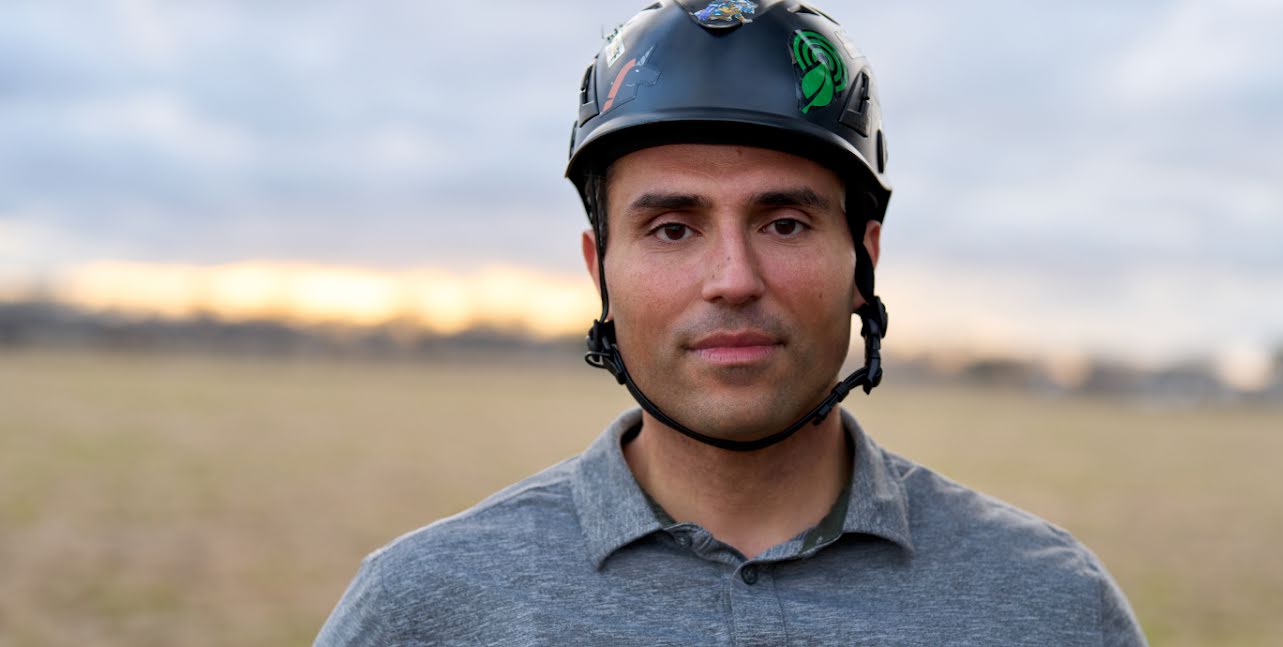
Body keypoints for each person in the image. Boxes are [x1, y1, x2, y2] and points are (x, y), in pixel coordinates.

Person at [316, 1, 1148, 644]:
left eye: (784, 222)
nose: (733, 280)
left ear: (865, 263)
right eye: (672, 228)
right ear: (597, 270)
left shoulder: (1049, 602)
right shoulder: (426, 606)